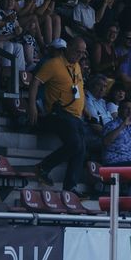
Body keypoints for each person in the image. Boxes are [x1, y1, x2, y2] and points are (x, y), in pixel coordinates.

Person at [32, 37, 91, 194]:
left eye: (82, 53)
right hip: (59, 113)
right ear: (68, 47)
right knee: (75, 144)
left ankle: (70, 187)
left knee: (81, 149)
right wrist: (32, 106)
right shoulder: (53, 64)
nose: (79, 55)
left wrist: (84, 110)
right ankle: (43, 167)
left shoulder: (76, 65)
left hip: (76, 116)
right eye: (77, 51)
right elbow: (35, 82)